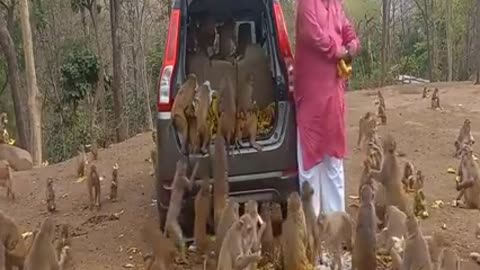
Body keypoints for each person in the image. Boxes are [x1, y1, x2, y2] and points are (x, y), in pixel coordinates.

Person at [294, 0, 360, 217]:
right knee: (311, 168)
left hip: (333, 97)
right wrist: (340, 51)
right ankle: (314, 240)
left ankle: (335, 235)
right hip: (312, 99)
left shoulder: (335, 4)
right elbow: (314, 36)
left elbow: (347, 29)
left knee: (334, 164)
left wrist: (352, 45)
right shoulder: (307, 4)